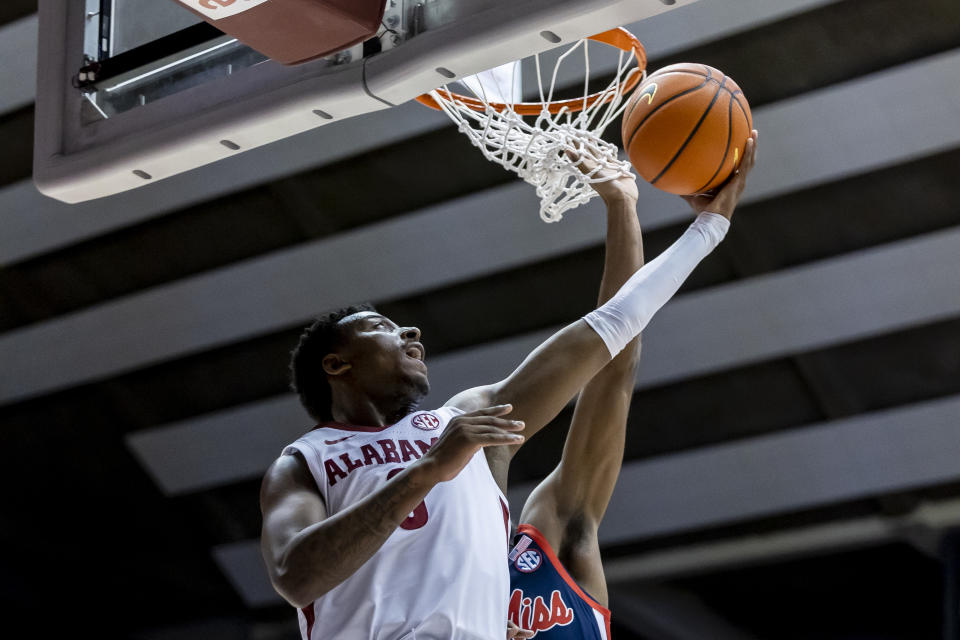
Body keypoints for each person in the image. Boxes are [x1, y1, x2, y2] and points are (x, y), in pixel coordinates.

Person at [258, 131, 759, 640]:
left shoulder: (466, 420)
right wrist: (424, 473)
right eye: (382, 327)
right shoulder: (304, 461)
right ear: (337, 365)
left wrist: (701, 227)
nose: (410, 332)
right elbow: (295, 578)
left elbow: (612, 332)